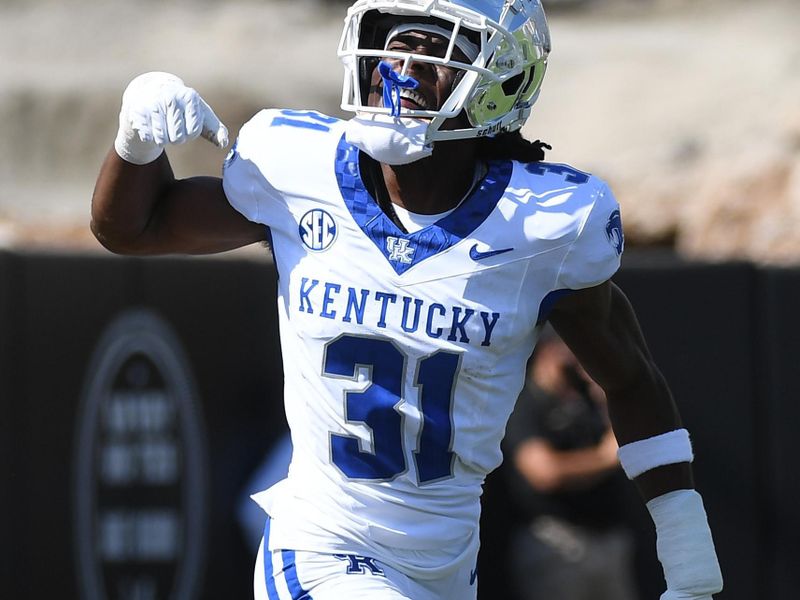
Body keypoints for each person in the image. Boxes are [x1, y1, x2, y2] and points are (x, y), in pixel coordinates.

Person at [90, 1, 723, 599]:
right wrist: (135, 142)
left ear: (498, 80)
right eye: (397, 39)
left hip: (446, 568)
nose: (404, 64)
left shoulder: (543, 227)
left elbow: (633, 381)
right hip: (319, 547)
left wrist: (688, 553)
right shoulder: (298, 172)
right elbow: (131, 227)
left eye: (435, 47)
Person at [503, 327, 639, 600]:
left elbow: (626, 438)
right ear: (551, 351)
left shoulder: (585, 398)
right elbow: (543, 472)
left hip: (607, 538)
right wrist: (603, 458)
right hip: (558, 542)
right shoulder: (524, 403)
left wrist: (603, 392)